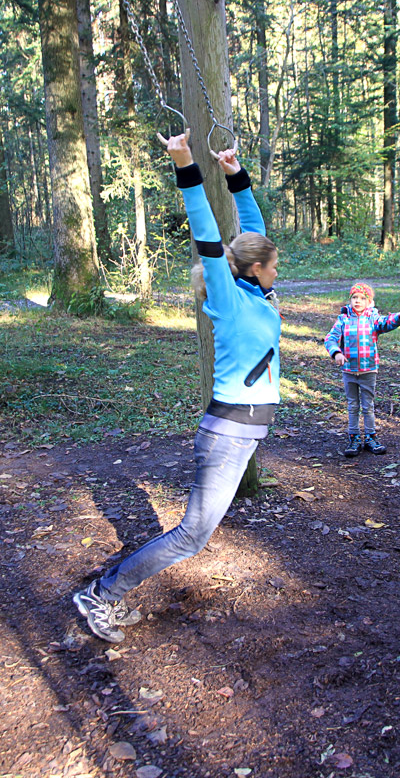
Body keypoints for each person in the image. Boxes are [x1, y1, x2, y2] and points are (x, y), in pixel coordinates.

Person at [73, 131, 279, 643]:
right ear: (255, 268)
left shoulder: (257, 289)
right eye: (273, 262)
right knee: (192, 536)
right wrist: (185, 163)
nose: (279, 267)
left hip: (242, 434)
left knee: (195, 533)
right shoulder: (231, 301)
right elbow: (210, 236)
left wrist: (234, 172)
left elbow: (252, 228)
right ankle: (100, 595)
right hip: (228, 435)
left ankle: (106, 593)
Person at [323, 283, 400, 457]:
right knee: (352, 405)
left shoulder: (373, 318)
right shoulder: (344, 319)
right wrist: (336, 353)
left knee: (367, 405)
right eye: (354, 297)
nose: (358, 301)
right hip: (349, 370)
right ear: (350, 300)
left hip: (368, 369)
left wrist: (399, 317)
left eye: (362, 298)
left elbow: (386, 323)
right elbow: (330, 338)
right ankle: (354, 437)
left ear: (369, 301)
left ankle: (371, 436)